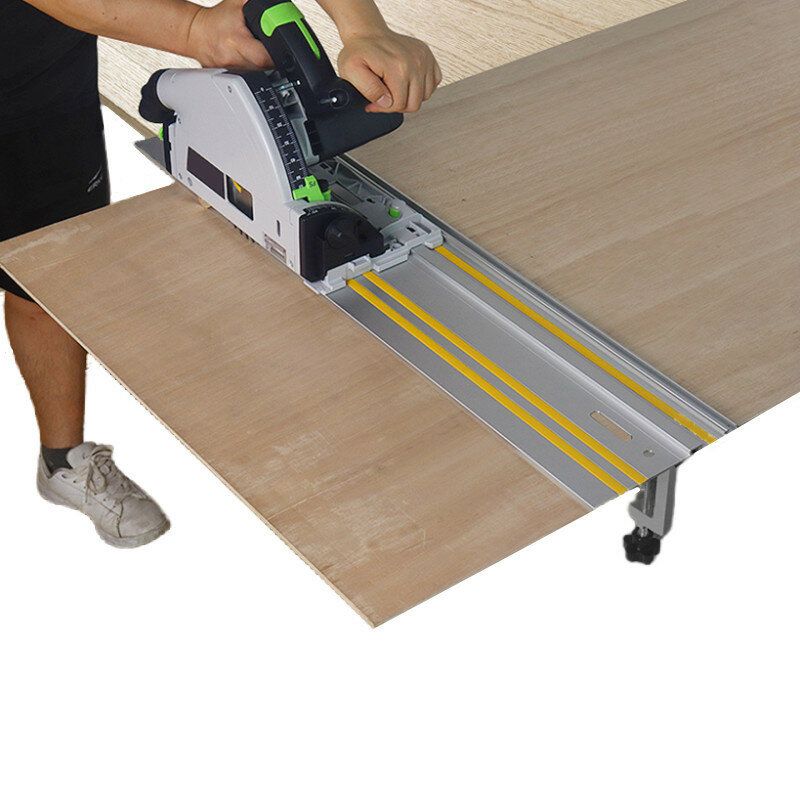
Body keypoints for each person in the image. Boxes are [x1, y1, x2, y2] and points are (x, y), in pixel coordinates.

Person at [0, 0, 441, 547]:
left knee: (45, 271)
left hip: (38, 70)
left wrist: (363, 28)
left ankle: (61, 460)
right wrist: (192, 29)